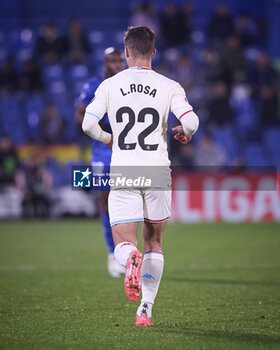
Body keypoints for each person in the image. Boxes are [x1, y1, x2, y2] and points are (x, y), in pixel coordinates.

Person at [82, 26, 199, 326]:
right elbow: (193, 121)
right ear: (154, 52)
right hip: (157, 171)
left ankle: (128, 258)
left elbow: (87, 124)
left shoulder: (110, 85)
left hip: (124, 170)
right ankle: (145, 308)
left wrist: (109, 139)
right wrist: (184, 132)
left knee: (124, 242)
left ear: (126, 52)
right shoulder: (170, 85)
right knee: (155, 243)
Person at [75, 47, 125, 278]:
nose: (116, 64)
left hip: (127, 149)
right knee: (105, 199)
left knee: (128, 200)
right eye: (112, 60)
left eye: (119, 60)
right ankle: (111, 252)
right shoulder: (94, 84)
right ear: (105, 62)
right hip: (102, 150)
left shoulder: (128, 84)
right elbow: (79, 115)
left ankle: (125, 251)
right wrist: (100, 128)